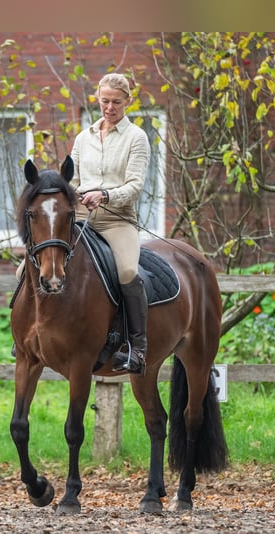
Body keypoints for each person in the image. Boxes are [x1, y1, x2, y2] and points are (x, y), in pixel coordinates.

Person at [71, 72, 151, 374]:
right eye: (104, 101)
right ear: (97, 98)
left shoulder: (136, 137)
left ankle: (137, 349)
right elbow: (73, 181)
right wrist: (78, 196)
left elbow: (134, 186)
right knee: (27, 266)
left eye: (116, 102)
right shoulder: (83, 137)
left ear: (127, 102)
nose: (109, 107)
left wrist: (104, 195)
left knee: (129, 271)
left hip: (117, 220)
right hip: (81, 220)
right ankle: (27, 337)